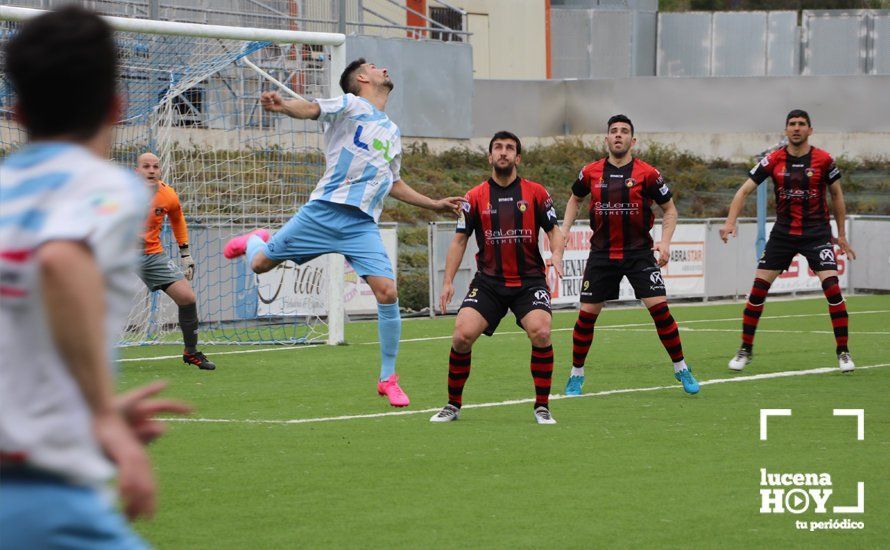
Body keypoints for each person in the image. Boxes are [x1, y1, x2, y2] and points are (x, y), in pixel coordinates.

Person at [0, 7, 190, 548]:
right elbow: (60, 262)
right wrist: (102, 412)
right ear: (116, 106)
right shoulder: (106, 189)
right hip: (38, 497)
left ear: (16, 111)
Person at [223, 58, 464, 407]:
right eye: (375, 66)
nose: (384, 68)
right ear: (362, 78)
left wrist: (433, 203)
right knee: (259, 264)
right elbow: (311, 108)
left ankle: (388, 378)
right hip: (323, 212)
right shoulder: (351, 105)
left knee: (387, 291)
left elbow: (393, 182)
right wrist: (283, 106)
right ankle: (255, 240)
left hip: (361, 224)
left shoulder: (393, 132)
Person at [430, 131, 566, 424]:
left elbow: (554, 230)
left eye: (509, 149)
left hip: (529, 282)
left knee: (541, 332)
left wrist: (556, 254)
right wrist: (447, 281)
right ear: (490, 156)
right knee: (461, 335)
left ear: (517, 158)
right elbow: (459, 240)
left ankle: (542, 406)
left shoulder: (536, 193)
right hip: (489, 283)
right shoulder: (474, 197)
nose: (503, 153)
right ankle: (453, 405)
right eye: (498, 148)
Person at [560, 115, 700, 396]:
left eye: (624, 132)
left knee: (661, 312)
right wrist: (563, 232)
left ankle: (681, 368)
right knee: (586, 317)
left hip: (638, 254)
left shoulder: (648, 174)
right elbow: (575, 198)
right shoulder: (590, 172)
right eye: (614, 131)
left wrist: (664, 241)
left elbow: (669, 209)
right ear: (607, 139)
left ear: (633, 140)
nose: (618, 135)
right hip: (602, 254)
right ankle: (576, 374)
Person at [720, 109, 856, 372]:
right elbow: (744, 190)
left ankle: (843, 352)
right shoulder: (773, 160)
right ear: (786, 130)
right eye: (792, 124)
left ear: (810, 130)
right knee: (758, 289)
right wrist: (729, 222)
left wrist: (840, 235)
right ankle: (745, 349)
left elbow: (837, 196)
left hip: (816, 233)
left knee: (833, 290)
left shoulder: (824, 160)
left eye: (801, 124)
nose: (796, 128)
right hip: (783, 234)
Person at [135, 152, 215, 370]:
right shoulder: (121, 192)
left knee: (187, 297)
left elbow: (178, 220)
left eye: (155, 166)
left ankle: (191, 352)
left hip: (151, 255)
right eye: (146, 166)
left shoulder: (168, 195)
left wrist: (185, 253)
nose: (151, 170)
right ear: (137, 170)